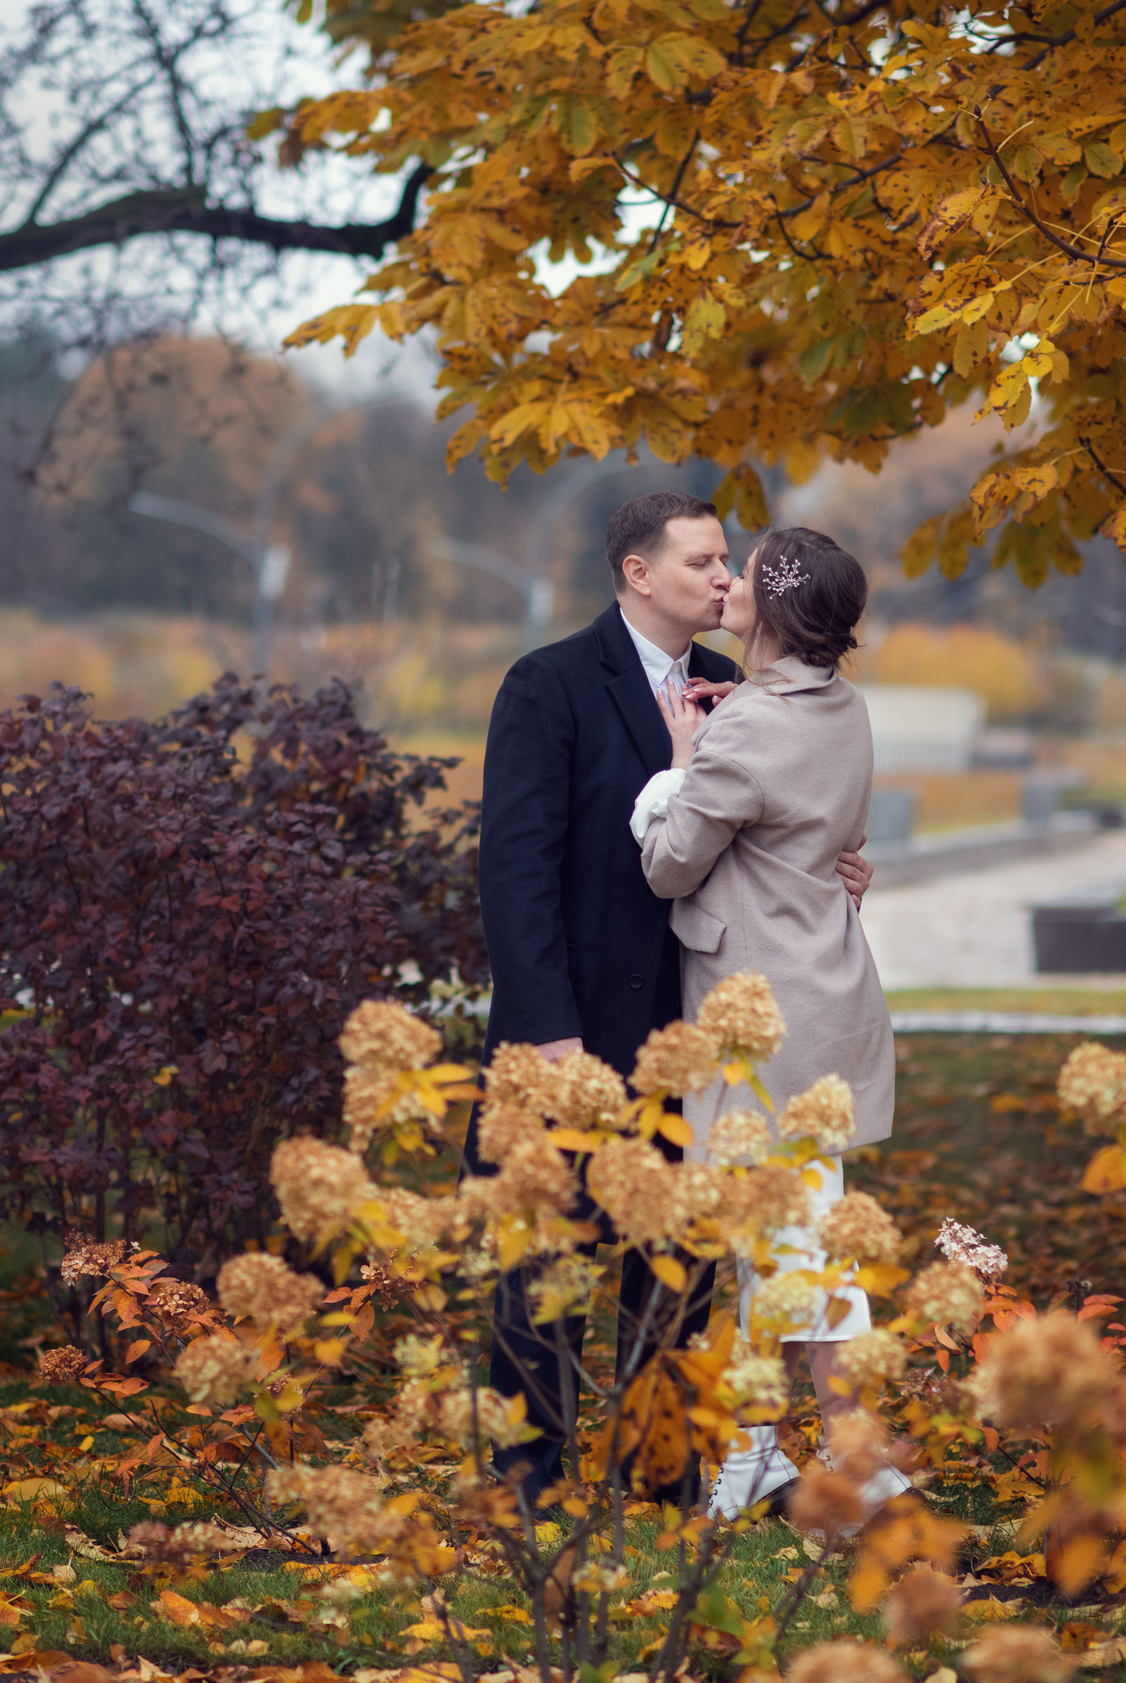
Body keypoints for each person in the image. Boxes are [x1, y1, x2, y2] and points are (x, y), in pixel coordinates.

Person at [476, 492, 872, 1506]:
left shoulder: (733, 686)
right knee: (549, 1257)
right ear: (637, 573)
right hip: (575, 1023)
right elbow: (515, 872)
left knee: (675, 1264)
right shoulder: (550, 683)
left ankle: (659, 1468)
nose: (724, 577)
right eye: (701, 561)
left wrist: (830, 869)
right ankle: (527, 1472)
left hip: (692, 1031)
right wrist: (544, 1028)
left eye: (728, 560)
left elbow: (762, 838)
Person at [631, 524, 904, 1523]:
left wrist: (679, 762)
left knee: (792, 1246)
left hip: (759, 1024)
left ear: (774, 608)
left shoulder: (742, 728)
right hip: (827, 997)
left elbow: (667, 861)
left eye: (740, 573)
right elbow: (834, 838)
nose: (724, 582)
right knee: (771, 1238)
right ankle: (754, 1451)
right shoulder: (845, 709)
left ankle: (853, 1458)